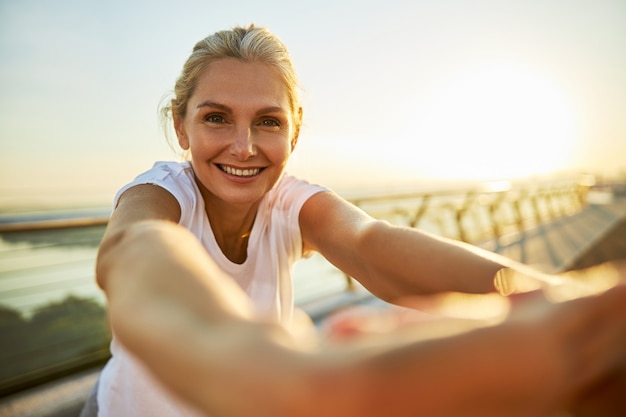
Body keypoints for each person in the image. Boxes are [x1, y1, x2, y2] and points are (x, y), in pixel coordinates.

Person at [83, 24, 626, 417]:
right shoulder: (160, 194)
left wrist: (558, 302)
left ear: (293, 133)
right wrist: (265, 365)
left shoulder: (292, 202)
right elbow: (136, 247)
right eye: (216, 117)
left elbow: (372, 243)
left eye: (267, 121)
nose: (243, 146)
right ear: (181, 128)